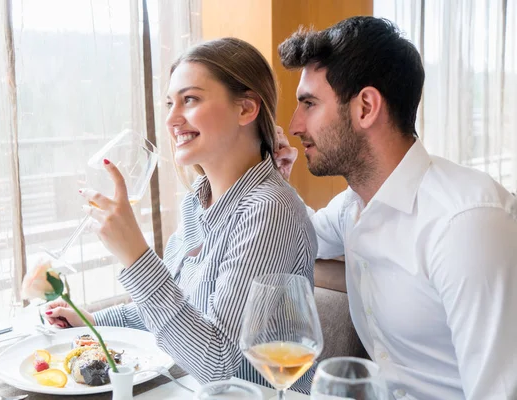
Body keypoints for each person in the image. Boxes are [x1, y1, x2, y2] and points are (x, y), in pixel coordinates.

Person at [45, 38, 318, 393]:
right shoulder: (195, 204)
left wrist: (136, 255)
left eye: (190, 99)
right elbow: (176, 311)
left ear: (246, 109)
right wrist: (91, 320)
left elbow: (219, 362)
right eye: (170, 103)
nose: (172, 119)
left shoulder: (269, 210)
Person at [275, 16, 517, 400]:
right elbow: (290, 239)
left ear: (366, 107)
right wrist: (270, 178)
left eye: (309, 104)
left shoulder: (466, 225)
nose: (294, 124)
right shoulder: (350, 209)